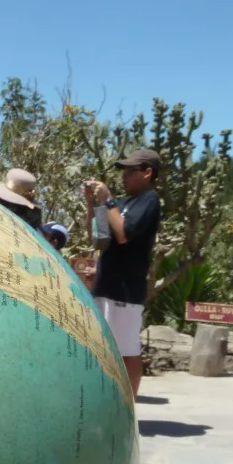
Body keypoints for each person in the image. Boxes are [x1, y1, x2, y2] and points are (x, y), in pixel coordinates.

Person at [86, 148, 162, 399]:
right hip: (104, 286)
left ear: (147, 173)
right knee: (102, 347)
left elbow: (124, 233)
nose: (124, 176)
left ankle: (129, 408)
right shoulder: (118, 203)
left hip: (126, 290)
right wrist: (92, 204)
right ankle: (105, 404)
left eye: (130, 171)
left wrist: (107, 200)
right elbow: (99, 239)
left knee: (127, 350)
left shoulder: (149, 201)